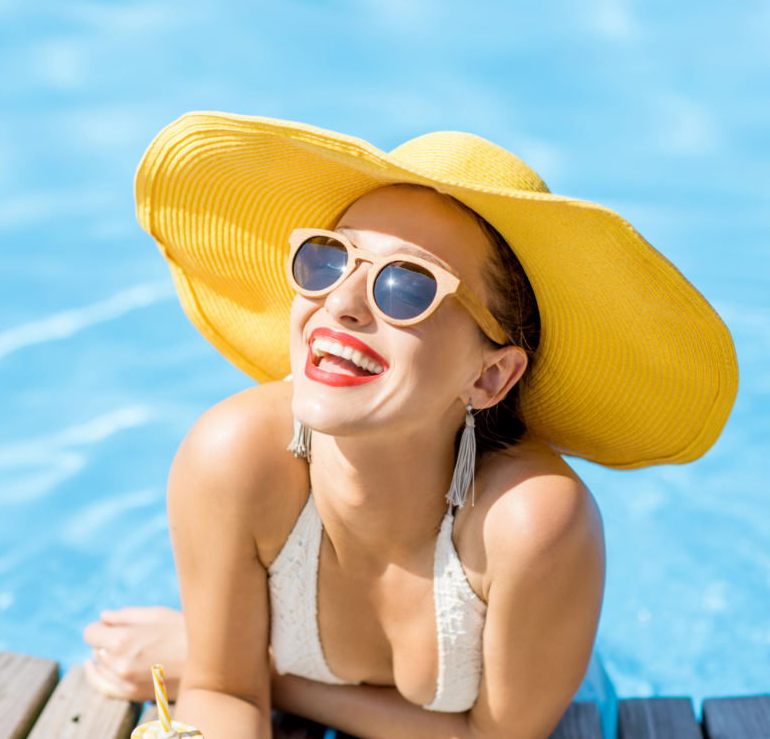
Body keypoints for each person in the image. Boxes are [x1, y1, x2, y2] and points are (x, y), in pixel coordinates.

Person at [83, 115, 737, 739]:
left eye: (405, 288)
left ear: (490, 377)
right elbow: (227, 695)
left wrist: (249, 670)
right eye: (326, 260)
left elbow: (500, 736)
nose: (339, 303)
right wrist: (230, 678)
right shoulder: (233, 459)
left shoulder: (531, 525)